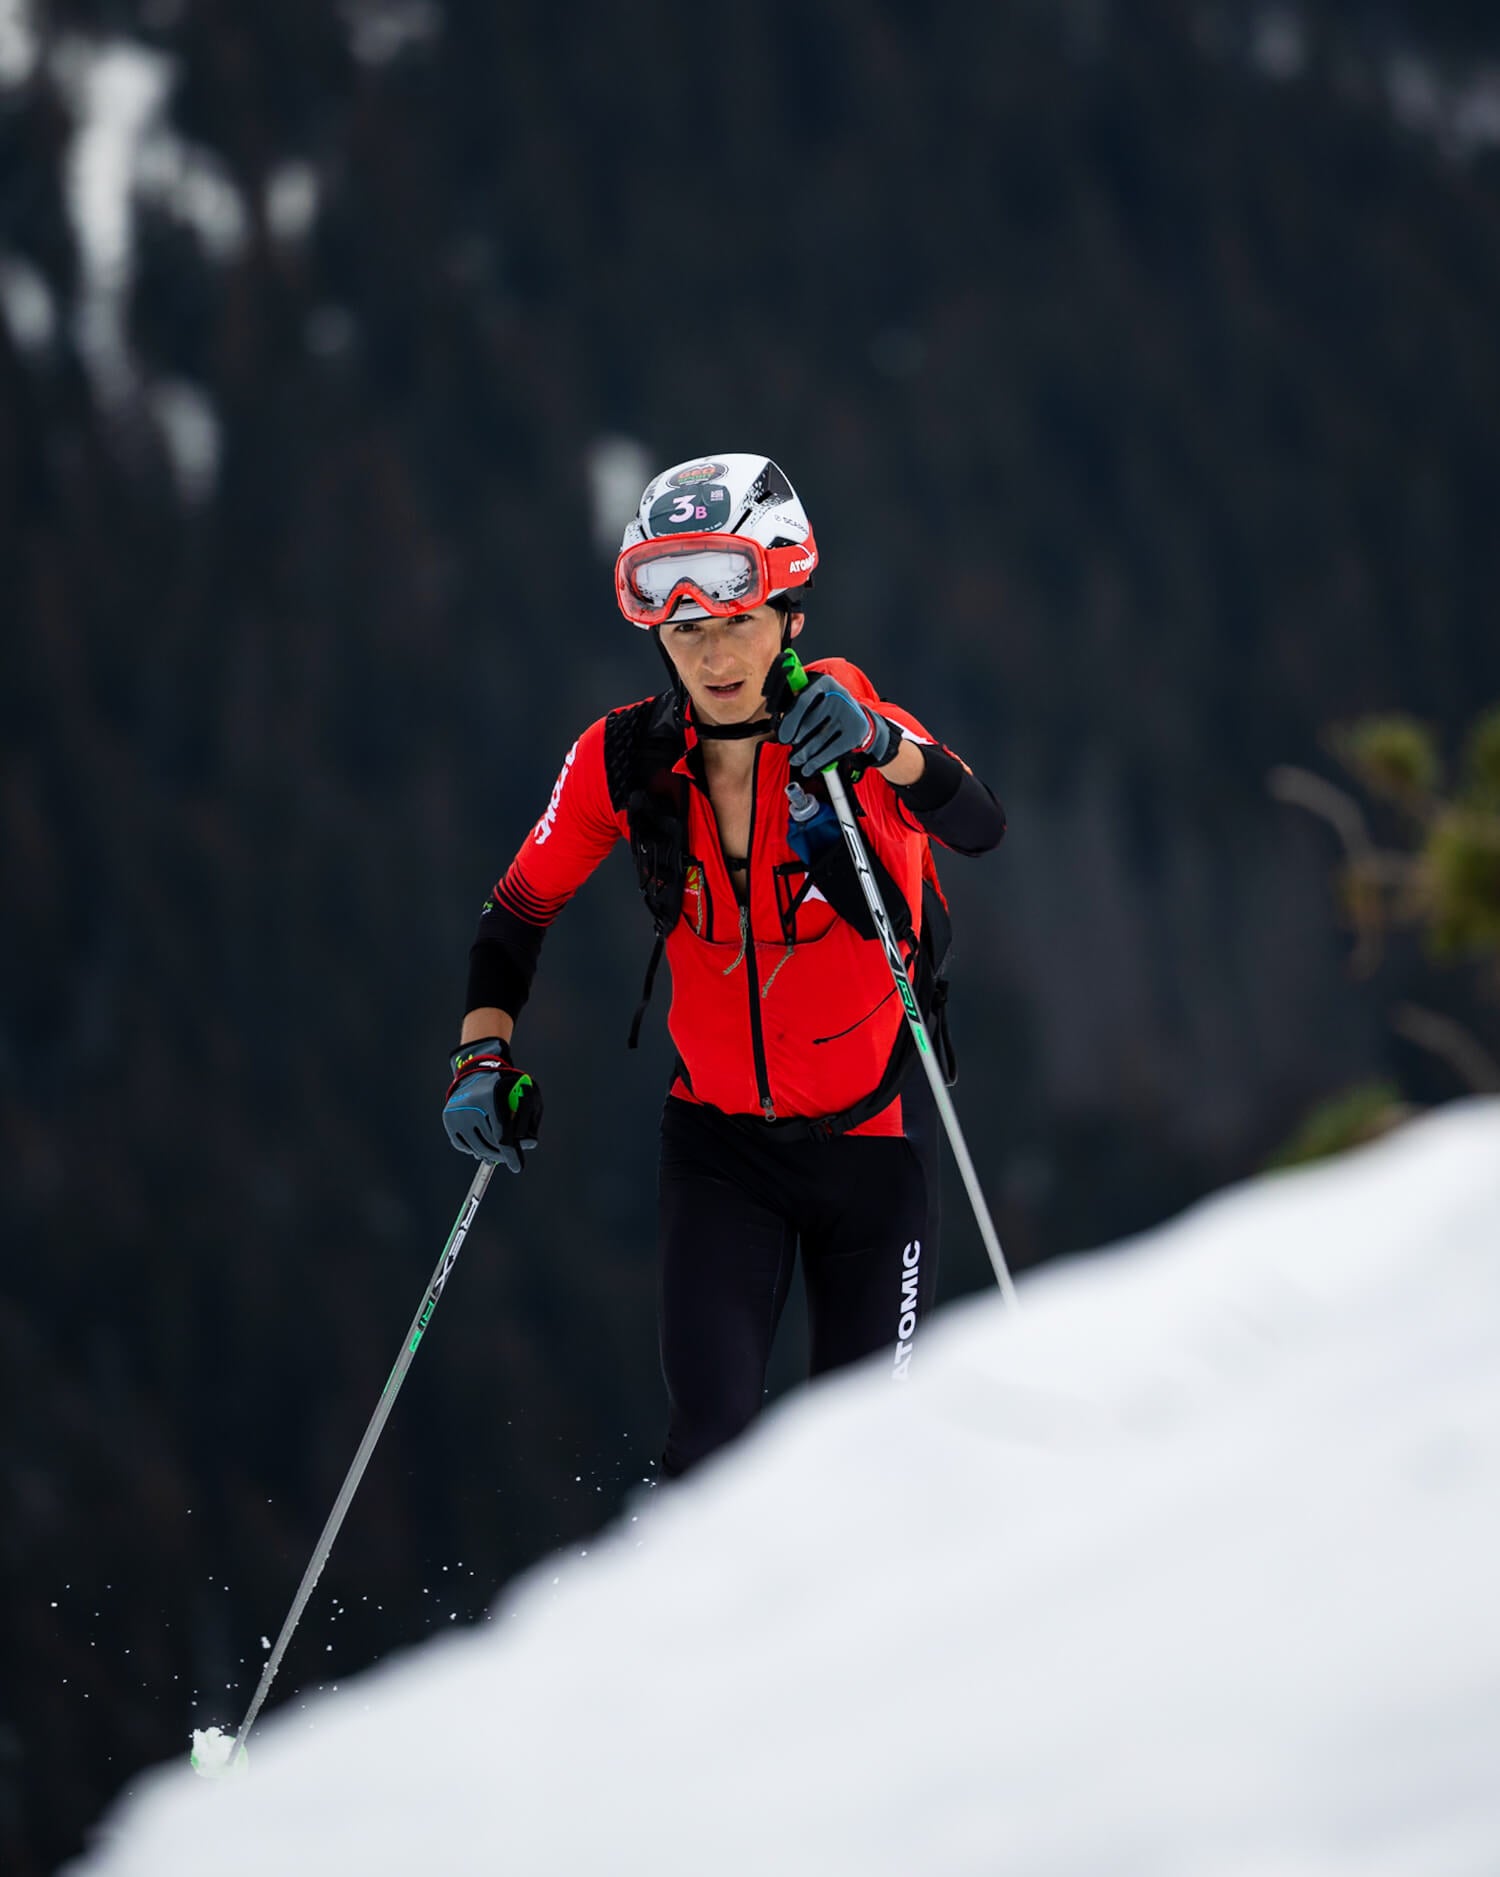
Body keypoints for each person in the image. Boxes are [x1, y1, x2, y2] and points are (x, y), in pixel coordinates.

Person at [443, 454, 1005, 1475]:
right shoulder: (625, 761)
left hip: (877, 1143)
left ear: (790, 610)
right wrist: (480, 1057)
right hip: (720, 1152)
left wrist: (885, 747)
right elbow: (516, 911)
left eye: (736, 619)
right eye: (684, 628)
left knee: (862, 1459)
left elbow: (978, 822)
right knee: (710, 1456)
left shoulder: (850, 730)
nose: (712, 652)